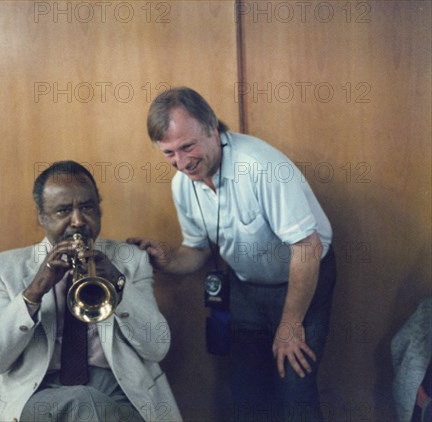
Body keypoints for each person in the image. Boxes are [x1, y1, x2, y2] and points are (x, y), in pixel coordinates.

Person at [128, 87, 336, 420]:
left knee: (294, 391)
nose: (182, 163)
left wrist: (290, 323)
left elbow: (306, 247)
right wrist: (167, 260)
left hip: (303, 279)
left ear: (213, 129)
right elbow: (196, 250)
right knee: (246, 397)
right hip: (246, 288)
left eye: (188, 146)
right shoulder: (183, 184)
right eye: (169, 153)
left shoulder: (259, 166)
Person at [0, 161, 182, 422]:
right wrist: (36, 290)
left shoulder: (131, 260)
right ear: (42, 217)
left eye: (87, 207)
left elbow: (157, 348)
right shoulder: (4, 268)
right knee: (83, 403)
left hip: (120, 391)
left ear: (99, 209)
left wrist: (118, 285)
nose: (78, 221)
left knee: (88, 404)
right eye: (63, 211)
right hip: (39, 391)